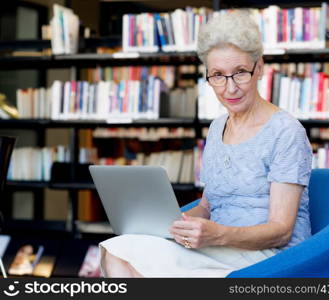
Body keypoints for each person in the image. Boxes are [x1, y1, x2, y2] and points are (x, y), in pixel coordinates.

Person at [99, 10, 313, 278]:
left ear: (259, 68)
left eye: (240, 73)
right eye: (218, 75)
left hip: (269, 256)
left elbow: (281, 230)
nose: (229, 88)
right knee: (118, 249)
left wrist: (218, 235)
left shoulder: (286, 132)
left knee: (136, 264)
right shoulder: (216, 128)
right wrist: (173, 222)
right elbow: (208, 206)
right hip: (219, 247)